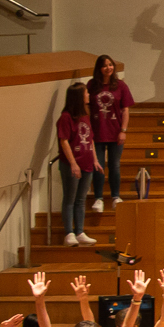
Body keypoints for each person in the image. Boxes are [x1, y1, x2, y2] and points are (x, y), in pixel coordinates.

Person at [56, 83, 101, 246]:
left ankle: (80, 231)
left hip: (87, 163)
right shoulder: (66, 117)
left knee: (81, 199)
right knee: (70, 198)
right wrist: (73, 163)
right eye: (86, 92)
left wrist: (95, 159)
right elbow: (64, 141)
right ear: (79, 96)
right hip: (72, 164)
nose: (88, 94)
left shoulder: (85, 115)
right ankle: (69, 232)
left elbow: (90, 140)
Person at [87, 55, 134, 211]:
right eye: (105, 65)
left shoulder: (120, 85)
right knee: (98, 165)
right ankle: (98, 198)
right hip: (97, 131)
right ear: (99, 68)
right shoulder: (92, 85)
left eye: (110, 65)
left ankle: (115, 196)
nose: (108, 68)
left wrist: (123, 130)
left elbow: (125, 110)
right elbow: (86, 107)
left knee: (114, 165)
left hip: (115, 132)